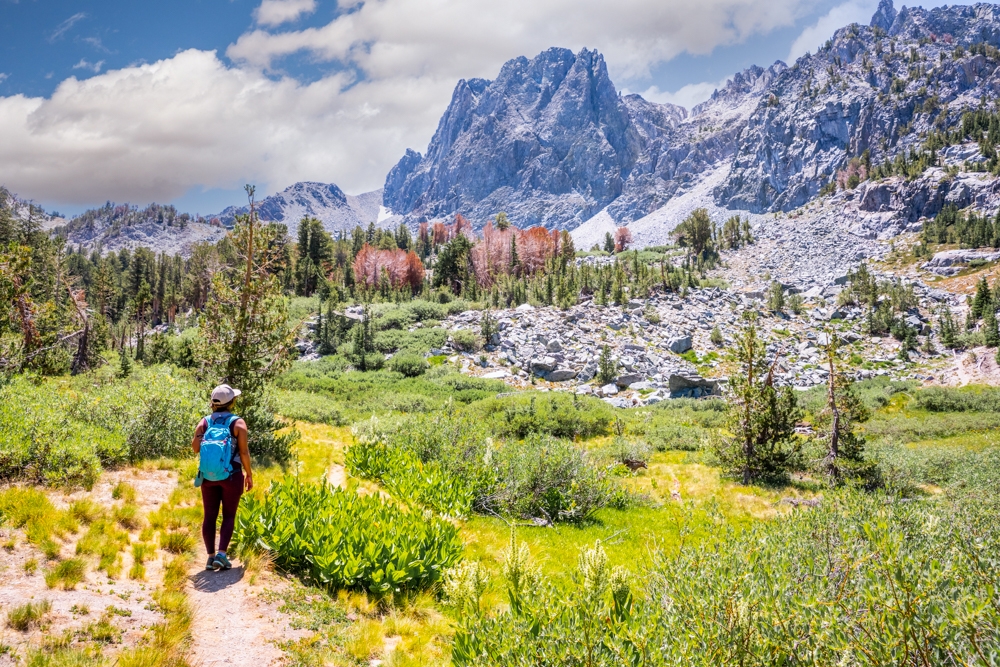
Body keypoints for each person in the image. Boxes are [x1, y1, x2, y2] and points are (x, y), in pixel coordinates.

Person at [191, 384, 253, 571]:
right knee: (228, 515)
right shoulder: (238, 423)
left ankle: (210, 557)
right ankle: (222, 555)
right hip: (232, 476)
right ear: (232, 401)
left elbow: (195, 448)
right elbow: (243, 453)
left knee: (209, 516)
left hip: (208, 476)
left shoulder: (204, 422)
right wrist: (249, 474)